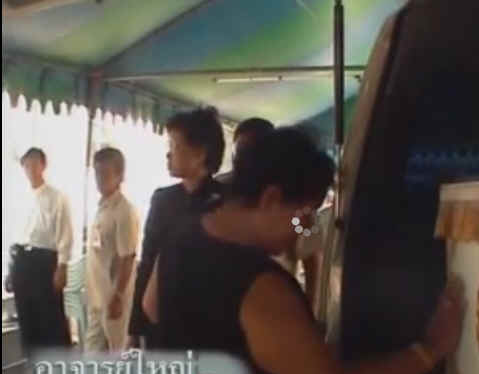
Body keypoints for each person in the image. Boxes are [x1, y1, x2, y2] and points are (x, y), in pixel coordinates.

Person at [142, 128, 464, 374]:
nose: (304, 229)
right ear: (271, 199)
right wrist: (428, 352)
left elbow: (151, 307)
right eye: (304, 216)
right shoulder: (261, 287)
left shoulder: (181, 235)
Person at [126, 107, 225, 350]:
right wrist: (134, 329)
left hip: (207, 327)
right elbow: (147, 262)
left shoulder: (226, 202)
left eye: (174, 146)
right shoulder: (163, 200)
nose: (168, 154)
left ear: (200, 153)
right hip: (161, 320)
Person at [218, 117, 323, 304]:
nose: (245, 159)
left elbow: (310, 257)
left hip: (274, 299)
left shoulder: (295, 208)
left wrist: (310, 305)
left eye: (253, 151)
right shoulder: (217, 190)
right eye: (240, 150)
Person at [11, 147, 73, 355]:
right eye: (26, 165)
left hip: (45, 261)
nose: (30, 169)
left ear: (43, 165)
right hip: (22, 260)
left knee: (50, 318)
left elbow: (65, 234)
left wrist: (62, 266)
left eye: (34, 164)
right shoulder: (20, 197)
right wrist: (11, 269)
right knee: (27, 317)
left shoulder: (57, 197)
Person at [85, 148, 140, 352]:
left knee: (117, 352)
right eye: (97, 173)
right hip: (97, 295)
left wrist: (118, 296)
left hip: (114, 298)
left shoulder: (124, 211)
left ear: (120, 175)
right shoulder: (101, 207)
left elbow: (128, 258)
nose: (99, 179)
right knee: (92, 353)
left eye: (105, 174)